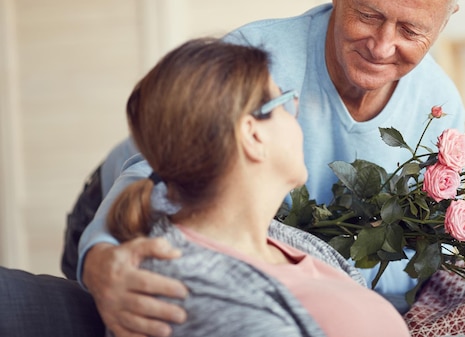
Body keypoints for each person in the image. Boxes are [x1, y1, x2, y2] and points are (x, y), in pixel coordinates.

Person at [76, 0, 465, 336]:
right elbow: (158, 174)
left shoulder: (439, 107)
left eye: (410, 30)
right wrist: (100, 259)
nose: (381, 45)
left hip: (282, 261)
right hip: (126, 209)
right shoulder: (259, 61)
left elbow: (431, 247)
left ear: (444, 21)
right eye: (368, 14)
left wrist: (338, 285)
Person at [102, 38, 410, 337]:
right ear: (252, 135)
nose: (296, 120)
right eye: (284, 102)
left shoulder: (288, 243)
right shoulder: (201, 288)